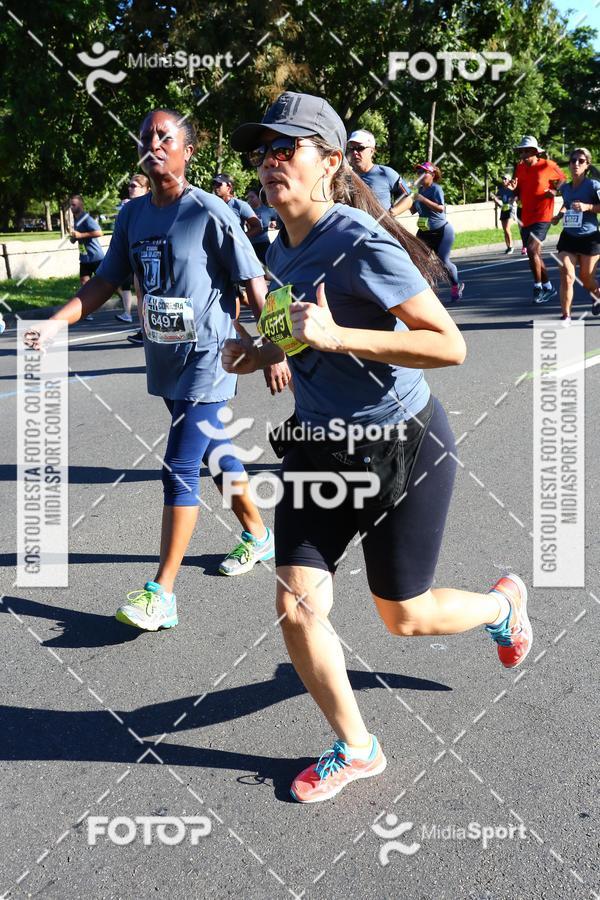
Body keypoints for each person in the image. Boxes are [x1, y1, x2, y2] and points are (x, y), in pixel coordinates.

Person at [225, 91, 532, 804]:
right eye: (262, 151)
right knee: (298, 605)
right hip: (318, 449)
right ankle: (358, 747)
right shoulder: (278, 244)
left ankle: (502, 607)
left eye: (286, 149)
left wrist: (342, 336)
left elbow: (448, 345)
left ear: (330, 163)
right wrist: (256, 350)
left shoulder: (360, 241)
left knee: (405, 614)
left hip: (401, 445)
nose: (269, 163)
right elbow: (294, 333)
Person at [25, 108, 292, 632]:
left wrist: (276, 348)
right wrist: (55, 324)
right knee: (215, 451)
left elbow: (254, 284)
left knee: (179, 464)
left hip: (210, 357)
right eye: (147, 137)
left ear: (188, 151)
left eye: (166, 137)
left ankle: (162, 592)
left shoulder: (210, 211)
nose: (155, 143)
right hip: (165, 358)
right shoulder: (131, 216)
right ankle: (259, 535)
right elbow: (104, 282)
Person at [396, 162, 464, 302]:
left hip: (441, 231)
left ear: (432, 175)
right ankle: (424, 291)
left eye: (423, 172)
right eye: (418, 172)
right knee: (416, 260)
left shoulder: (436, 189)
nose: (420, 175)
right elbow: (413, 210)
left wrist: (422, 199)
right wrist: (407, 197)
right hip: (424, 232)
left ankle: (456, 285)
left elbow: (440, 208)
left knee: (443, 261)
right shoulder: (420, 190)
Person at [512, 135, 566, 304]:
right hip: (526, 216)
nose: (525, 153)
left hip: (543, 215)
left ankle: (537, 287)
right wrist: (512, 190)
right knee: (532, 253)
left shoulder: (548, 165)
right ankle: (549, 287)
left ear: (536, 152)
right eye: (522, 151)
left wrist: (555, 192)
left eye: (528, 150)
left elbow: (564, 184)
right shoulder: (519, 168)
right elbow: (517, 191)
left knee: (532, 249)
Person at [552, 147, 600, 325]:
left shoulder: (594, 186)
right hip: (569, 238)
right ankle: (566, 316)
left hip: (590, 238)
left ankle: (597, 294)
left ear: (587, 165)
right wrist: (559, 215)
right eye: (573, 161)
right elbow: (567, 203)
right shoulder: (565, 188)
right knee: (566, 275)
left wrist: (588, 207)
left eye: (581, 161)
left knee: (586, 279)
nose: (576, 164)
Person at [114, 174, 151, 325]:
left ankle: (150, 328)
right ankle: (143, 330)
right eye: (129, 185)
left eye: (134, 186)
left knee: (149, 294)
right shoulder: (126, 206)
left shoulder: (150, 206)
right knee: (140, 293)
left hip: (149, 253)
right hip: (132, 253)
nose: (130, 189)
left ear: (146, 189)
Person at [346, 129, 410, 214]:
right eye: (351, 148)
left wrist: (391, 214)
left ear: (372, 151)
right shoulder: (346, 176)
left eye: (360, 148)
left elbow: (408, 199)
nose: (355, 152)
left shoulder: (385, 173)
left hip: (380, 226)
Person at [69, 194, 104, 320]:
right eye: (70, 205)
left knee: (108, 282)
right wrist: (74, 238)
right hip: (84, 257)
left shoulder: (86, 218)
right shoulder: (76, 219)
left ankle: (125, 301)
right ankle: (87, 311)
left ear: (81, 205)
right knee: (84, 283)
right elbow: (78, 236)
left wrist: (81, 235)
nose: (71, 207)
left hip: (95, 256)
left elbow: (99, 232)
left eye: (74, 205)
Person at [212, 173, 262, 240]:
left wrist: (239, 239)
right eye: (214, 184)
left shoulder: (240, 205)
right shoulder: (212, 204)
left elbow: (257, 227)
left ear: (229, 187)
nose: (215, 186)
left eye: (219, 184)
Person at [246, 185, 278, 264]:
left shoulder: (268, 209)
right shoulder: (246, 210)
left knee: (268, 268)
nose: (249, 200)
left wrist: (274, 223)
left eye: (252, 197)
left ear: (258, 197)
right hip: (250, 245)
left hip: (264, 244)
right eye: (248, 198)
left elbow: (277, 220)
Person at [492, 174, 516, 254]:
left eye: (505, 179)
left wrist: (511, 202)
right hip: (503, 210)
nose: (503, 180)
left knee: (507, 229)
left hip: (510, 210)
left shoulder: (512, 189)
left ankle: (511, 246)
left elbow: (515, 197)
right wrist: (496, 200)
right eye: (502, 179)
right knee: (504, 230)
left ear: (509, 180)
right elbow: (498, 199)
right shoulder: (501, 190)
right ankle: (508, 246)